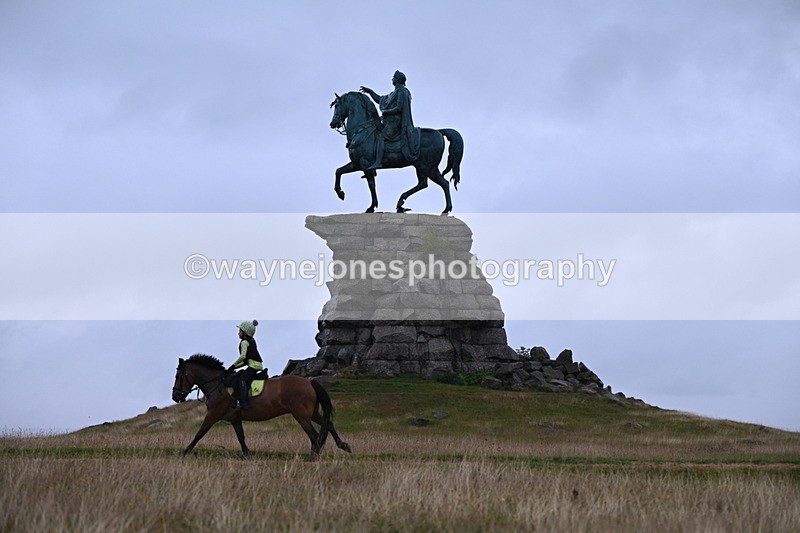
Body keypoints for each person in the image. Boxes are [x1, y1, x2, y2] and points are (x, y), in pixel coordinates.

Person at [360, 70, 420, 170]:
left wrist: (386, 112)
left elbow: (399, 108)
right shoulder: (394, 93)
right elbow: (380, 100)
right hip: (389, 122)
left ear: (397, 80)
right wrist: (370, 92)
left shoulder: (402, 92)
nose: (392, 79)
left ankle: (378, 162)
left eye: (393, 77)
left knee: (380, 137)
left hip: (396, 123)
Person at [227, 320, 263, 410]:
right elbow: (245, 361)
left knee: (241, 380)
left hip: (253, 366)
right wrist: (234, 367)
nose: (238, 333)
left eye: (240, 331)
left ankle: (244, 404)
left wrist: (232, 366)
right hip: (256, 365)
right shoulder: (251, 340)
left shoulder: (244, 342)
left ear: (245, 332)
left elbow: (243, 357)